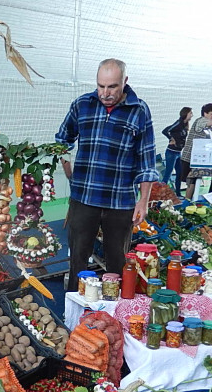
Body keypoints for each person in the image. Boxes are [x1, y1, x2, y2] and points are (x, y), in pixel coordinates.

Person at [55, 58, 158, 292]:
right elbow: (63, 138)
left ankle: (115, 314)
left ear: (125, 81)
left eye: (112, 86)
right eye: (101, 86)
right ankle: (74, 311)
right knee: (78, 258)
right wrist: (66, 163)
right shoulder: (82, 104)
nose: (105, 93)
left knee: (117, 262)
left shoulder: (139, 110)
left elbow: (146, 159)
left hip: (120, 201)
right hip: (84, 196)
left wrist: (143, 200)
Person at [180, 103, 212, 199]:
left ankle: (190, 201)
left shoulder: (208, 126)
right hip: (190, 158)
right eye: (211, 114)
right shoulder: (201, 121)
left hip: (198, 159)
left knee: (193, 181)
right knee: (191, 182)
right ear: (205, 113)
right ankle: (187, 202)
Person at [161, 107, 192, 197]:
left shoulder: (185, 125)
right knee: (168, 173)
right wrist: (171, 139)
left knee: (179, 173)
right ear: (185, 114)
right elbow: (165, 130)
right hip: (171, 152)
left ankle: (178, 193)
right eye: (190, 113)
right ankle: (160, 196)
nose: (191, 115)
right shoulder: (178, 123)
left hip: (178, 152)